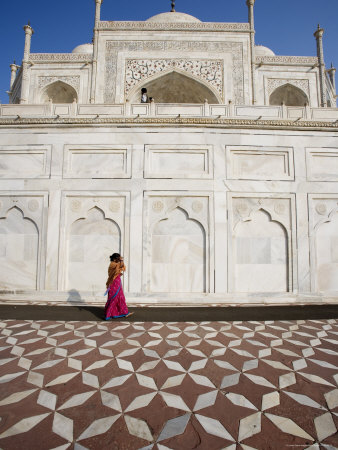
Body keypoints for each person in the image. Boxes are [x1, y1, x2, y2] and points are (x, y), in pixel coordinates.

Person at [104, 253, 133, 320]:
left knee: (121, 297)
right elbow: (118, 269)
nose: (119, 260)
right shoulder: (112, 264)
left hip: (118, 281)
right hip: (113, 282)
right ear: (114, 259)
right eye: (118, 258)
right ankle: (108, 315)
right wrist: (121, 262)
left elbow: (123, 268)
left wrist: (121, 262)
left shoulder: (117, 263)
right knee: (114, 298)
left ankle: (125, 312)